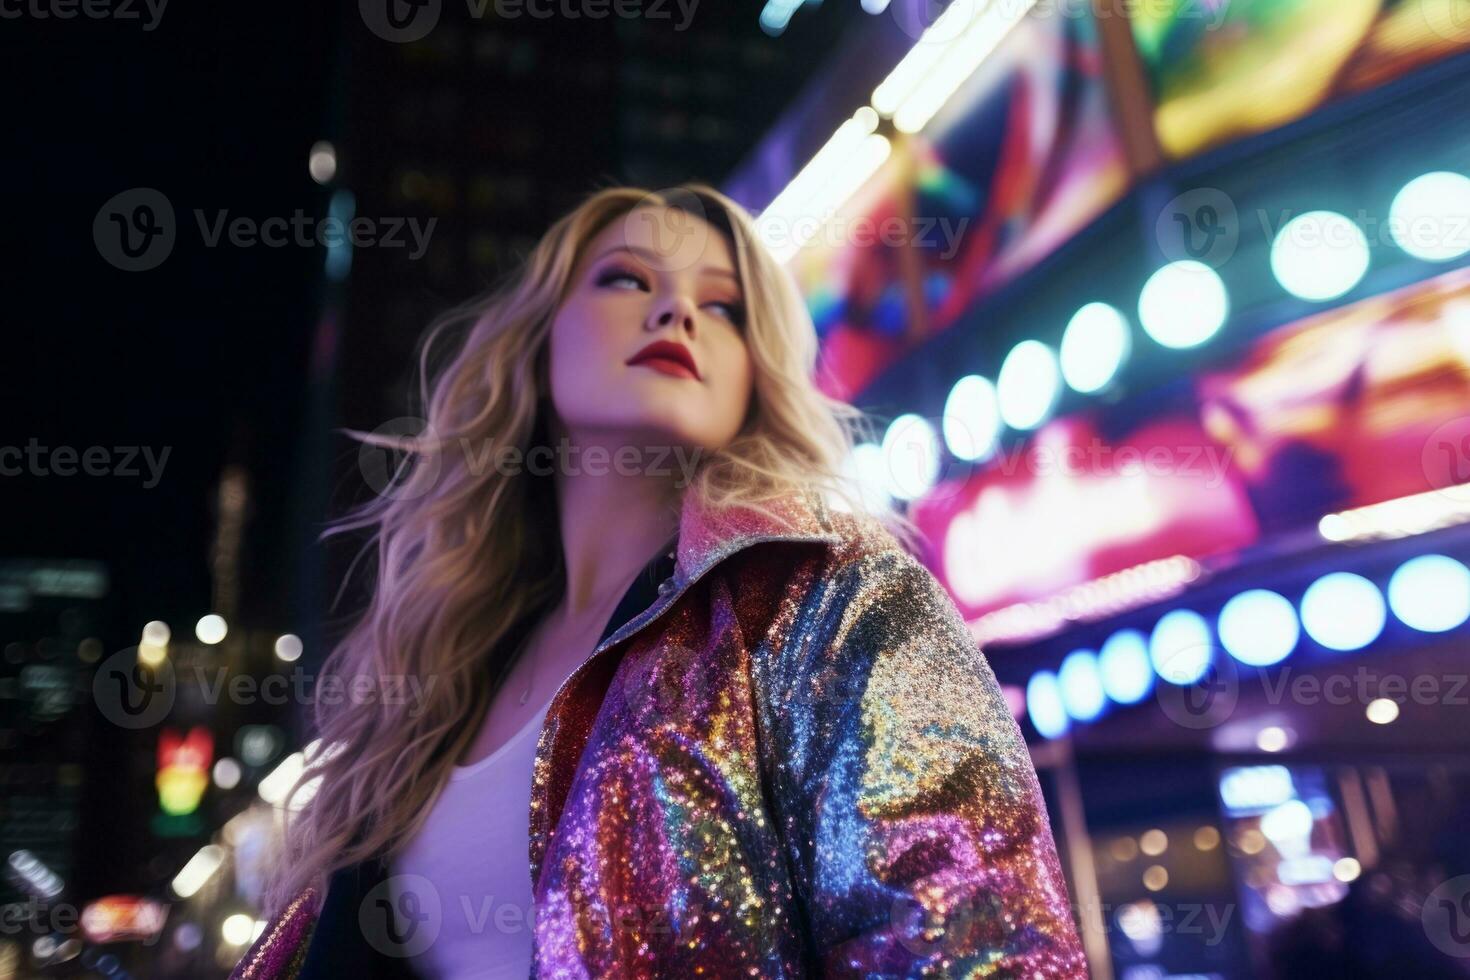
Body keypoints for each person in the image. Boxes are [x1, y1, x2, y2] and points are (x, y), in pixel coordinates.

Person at [228, 184, 1087, 978]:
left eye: (723, 306)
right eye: (626, 279)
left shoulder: (834, 605)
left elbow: (981, 948)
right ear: (539, 342)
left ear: (755, 373)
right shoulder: (432, 688)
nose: (678, 310)